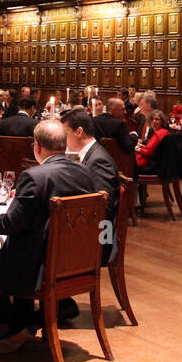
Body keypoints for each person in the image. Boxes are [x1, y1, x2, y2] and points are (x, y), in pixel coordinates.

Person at [0, 121, 98, 353]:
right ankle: (43, 314)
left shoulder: (34, 176)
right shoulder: (84, 172)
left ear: (37, 147)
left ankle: (12, 324)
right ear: (64, 145)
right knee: (24, 245)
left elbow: (9, 224)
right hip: (77, 261)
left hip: (39, 267)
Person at [62, 106, 119, 270]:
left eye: (66, 134)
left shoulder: (99, 161)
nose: (64, 140)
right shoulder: (89, 155)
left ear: (79, 132)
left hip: (102, 237)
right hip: (93, 228)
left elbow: (103, 207)